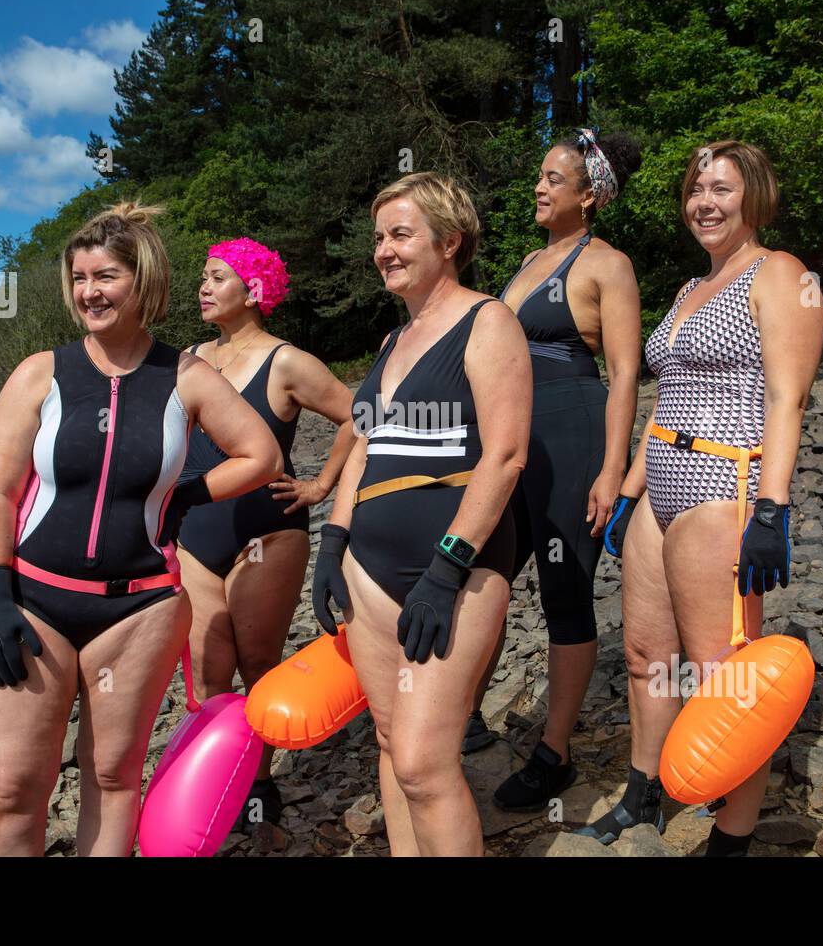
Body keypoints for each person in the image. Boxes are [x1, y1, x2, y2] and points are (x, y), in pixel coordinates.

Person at [0, 202, 282, 856]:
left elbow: (262, 456)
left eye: (105, 276)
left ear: (142, 281)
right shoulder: (39, 375)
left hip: (139, 608)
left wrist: (188, 493)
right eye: (80, 278)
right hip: (34, 602)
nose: (90, 291)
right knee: (9, 787)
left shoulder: (186, 377)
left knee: (112, 776)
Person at [577, 141, 823, 855]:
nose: (704, 202)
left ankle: (732, 837)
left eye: (720, 189)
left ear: (754, 197)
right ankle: (643, 795)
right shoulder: (691, 289)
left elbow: (788, 396)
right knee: (647, 655)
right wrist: (627, 493)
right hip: (660, 483)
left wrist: (771, 510)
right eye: (694, 189)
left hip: (728, 483)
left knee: (726, 677)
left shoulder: (779, 274)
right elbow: (666, 396)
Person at [310, 172, 531, 856]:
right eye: (379, 238)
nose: (384, 250)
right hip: (369, 567)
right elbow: (363, 451)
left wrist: (448, 565)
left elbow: (506, 457)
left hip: (454, 568)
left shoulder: (487, 321)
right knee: (387, 743)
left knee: (424, 761)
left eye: (401, 234)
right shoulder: (388, 344)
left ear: (450, 241)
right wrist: (332, 541)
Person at [465, 129, 644, 814]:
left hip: (572, 435)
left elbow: (626, 370)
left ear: (590, 193)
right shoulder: (527, 263)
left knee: (564, 593)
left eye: (553, 178)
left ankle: (555, 753)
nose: (539, 187)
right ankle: (468, 714)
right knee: (481, 574)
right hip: (507, 445)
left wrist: (612, 467)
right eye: (538, 176)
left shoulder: (609, 264)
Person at [175, 237, 356, 830]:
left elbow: (361, 414)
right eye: (203, 276)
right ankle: (209, 782)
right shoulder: (188, 359)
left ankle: (258, 783)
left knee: (257, 662)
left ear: (254, 290)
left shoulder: (287, 362)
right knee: (207, 669)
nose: (203, 287)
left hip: (268, 531)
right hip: (193, 531)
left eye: (218, 277)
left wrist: (322, 483)